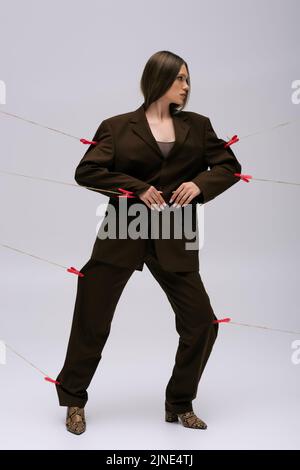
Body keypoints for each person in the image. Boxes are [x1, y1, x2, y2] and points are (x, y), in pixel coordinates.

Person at [55, 50, 242, 434]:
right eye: (180, 79)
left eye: (189, 80)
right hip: (123, 230)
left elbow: (229, 167)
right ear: (159, 80)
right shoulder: (117, 127)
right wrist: (137, 189)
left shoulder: (199, 126)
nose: (187, 87)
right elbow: (87, 170)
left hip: (175, 235)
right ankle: (74, 400)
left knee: (202, 323)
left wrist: (200, 185)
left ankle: (179, 403)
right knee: (92, 318)